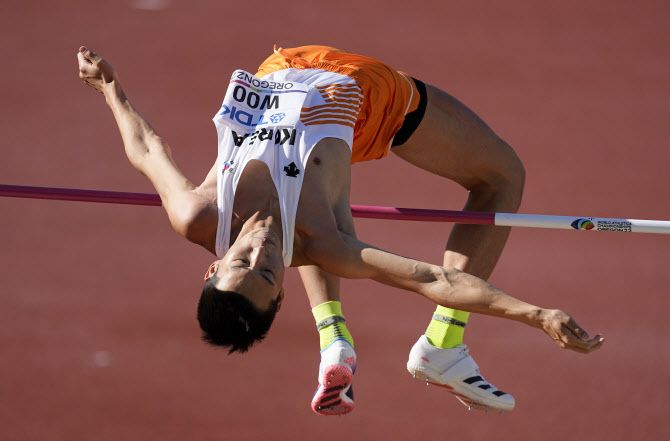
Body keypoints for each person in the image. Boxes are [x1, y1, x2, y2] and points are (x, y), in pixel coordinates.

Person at [77, 45, 604, 416]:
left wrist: (109, 88)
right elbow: (433, 280)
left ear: (212, 265)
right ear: (282, 288)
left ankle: (339, 339)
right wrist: (537, 314)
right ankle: (439, 343)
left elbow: (147, 150)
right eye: (268, 272)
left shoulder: (199, 214)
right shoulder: (324, 245)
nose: (261, 251)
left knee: (318, 214)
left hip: (285, 65)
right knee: (503, 175)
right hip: (372, 100)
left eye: (241, 263)